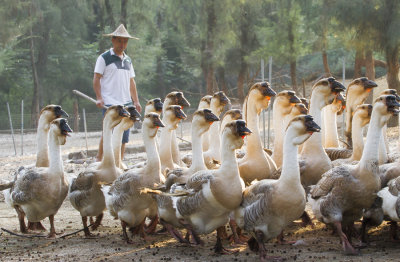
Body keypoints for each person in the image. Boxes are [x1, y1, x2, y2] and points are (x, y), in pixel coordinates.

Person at [93, 24, 142, 162]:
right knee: (107, 133)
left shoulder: (128, 60)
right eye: (119, 40)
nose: (122, 44)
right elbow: (96, 78)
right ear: (113, 40)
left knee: (124, 134)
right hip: (110, 103)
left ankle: (119, 160)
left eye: (125, 41)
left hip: (126, 103)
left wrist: (136, 101)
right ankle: (99, 159)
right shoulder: (104, 58)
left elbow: (131, 82)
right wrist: (99, 97)